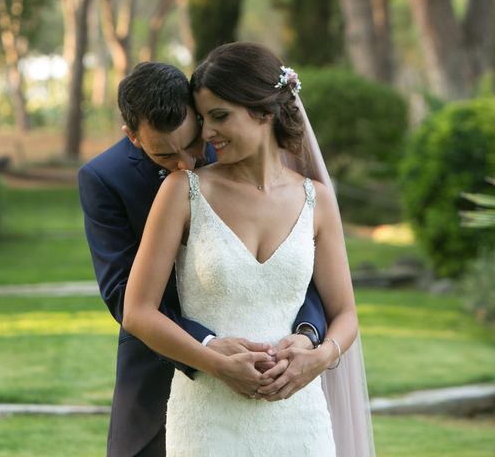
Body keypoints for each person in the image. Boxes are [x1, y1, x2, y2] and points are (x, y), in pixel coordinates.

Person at [122, 42, 375, 456]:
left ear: (265, 111)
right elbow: (138, 311)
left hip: (300, 418)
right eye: (203, 119)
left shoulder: (317, 200)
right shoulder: (182, 192)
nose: (206, 133)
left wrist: (320, 356)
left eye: (220, 116)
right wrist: (215, 363)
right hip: (207, 418)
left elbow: (344, 313)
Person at [78, 61, 329, 456]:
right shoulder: (104, 179)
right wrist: (208, 348)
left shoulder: (233, 143)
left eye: (193, 144)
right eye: (165, 155)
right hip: (159, 364)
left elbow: (295, 261)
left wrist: (309, 334)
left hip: (274, 367)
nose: (186, 163)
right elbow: (124, 294)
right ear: (133, 137)